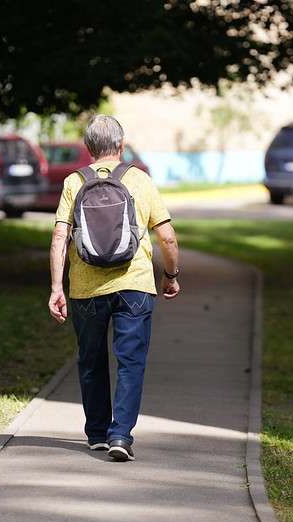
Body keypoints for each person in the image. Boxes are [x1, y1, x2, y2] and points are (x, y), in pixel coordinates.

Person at [48, 114, 180, 462]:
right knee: (131, 363)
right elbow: (167, 236)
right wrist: (171, 274)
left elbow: (60, 236)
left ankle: (96, 433)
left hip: (85, 289)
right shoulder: (140, 179)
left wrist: (56, 287)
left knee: (91, 361)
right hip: (134, 285)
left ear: (88, 147)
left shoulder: (74, 181)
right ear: (121, 145)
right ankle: (120, 434)